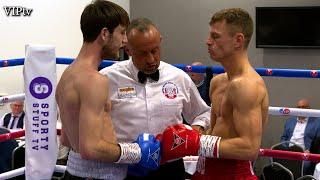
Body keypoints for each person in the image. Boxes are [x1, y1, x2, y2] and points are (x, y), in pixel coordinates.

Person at [158, 8, 269, 180]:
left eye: (216, 36)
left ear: (238, 40)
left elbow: (250, 148)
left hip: (233, 174)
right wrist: (193, 134)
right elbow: (217, 130)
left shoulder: (247, 85)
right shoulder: (218, 82)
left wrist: (197, 143)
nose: (208, 42)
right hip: (205, 168)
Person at [55, 1, 160, 179]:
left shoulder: (68, 75)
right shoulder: (94, 80)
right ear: (105, 33)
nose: (124, 41)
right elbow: (90, 148)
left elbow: (66, 139)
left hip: (75, 172)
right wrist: (136, 152)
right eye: (121, 33)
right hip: (99, 176)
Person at [99, 17, 211, 180]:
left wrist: (195, 131)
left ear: (160, 42)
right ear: (128, 50)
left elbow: (203, 113)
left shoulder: (178, 77)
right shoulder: (107, 78)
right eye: (143, 53)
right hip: (124, 168)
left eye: (155, 50)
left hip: (170, 168)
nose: (151, 59)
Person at [280, 98, 320, 175]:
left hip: (304, 154)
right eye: (299, 107)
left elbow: (318, 143)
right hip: (289, 151)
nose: (301, 110)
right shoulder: (290, 121)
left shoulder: (317, 122)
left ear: (309, 109)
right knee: (275, 161)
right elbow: (284, 138)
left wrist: (310, 151)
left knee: (304, 165)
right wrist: (285, 148)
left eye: (303, 107)